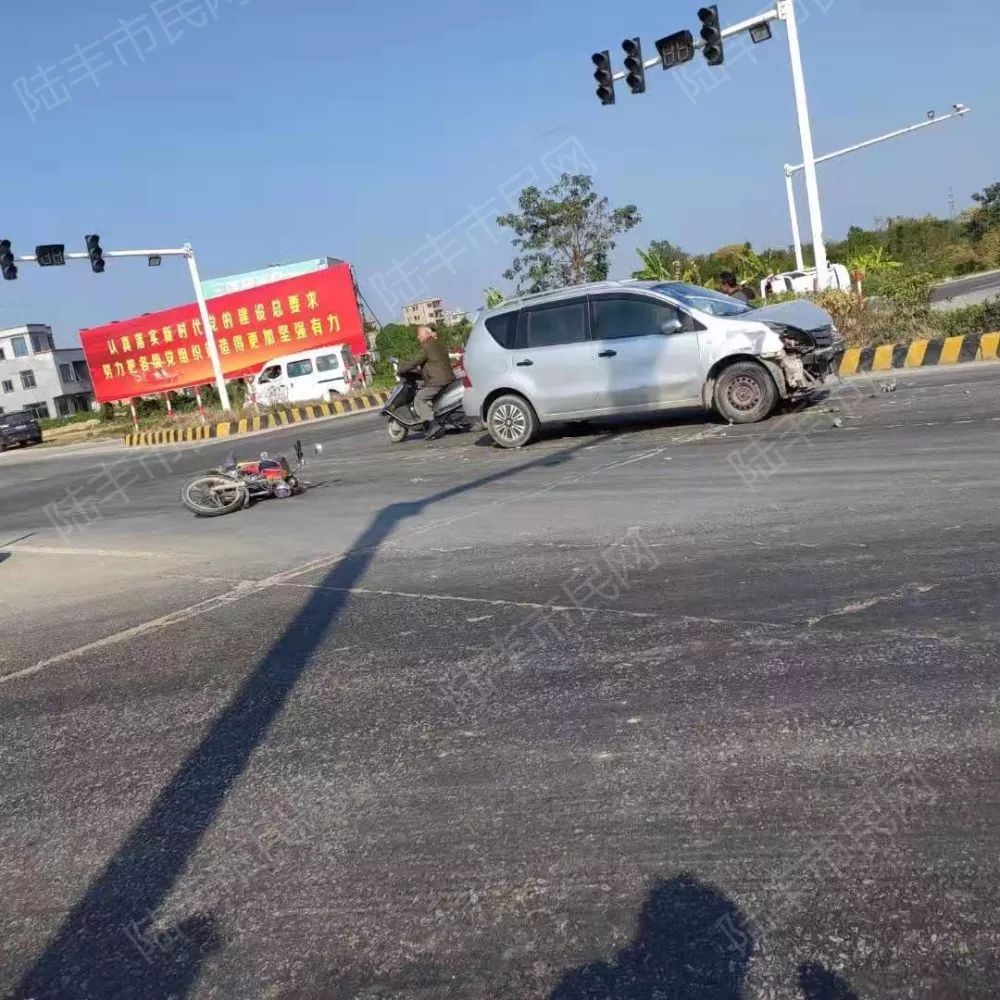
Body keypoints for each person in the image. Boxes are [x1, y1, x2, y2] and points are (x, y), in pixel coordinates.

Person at [398, 325, 454, 440]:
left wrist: (401, 369)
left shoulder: (427, 346)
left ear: (425, 334)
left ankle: (433, 425)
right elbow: (433, 362)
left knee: (419, 399)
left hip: (437, 380)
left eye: (419, 334)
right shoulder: (438, 343)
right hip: (447, 377)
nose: (418, 337)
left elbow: (415, 361)